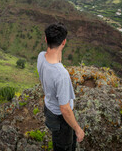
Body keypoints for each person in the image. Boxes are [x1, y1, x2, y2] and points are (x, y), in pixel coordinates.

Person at [37, 23, 84, 151]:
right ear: (64, 42)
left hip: (49, 108)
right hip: (60, 118)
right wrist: (78, 129)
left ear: (46, 39)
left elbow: (57, 61)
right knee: (64, 146)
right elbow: (65, 109)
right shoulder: (61, 75)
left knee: (59, 139)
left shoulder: (41, 57)